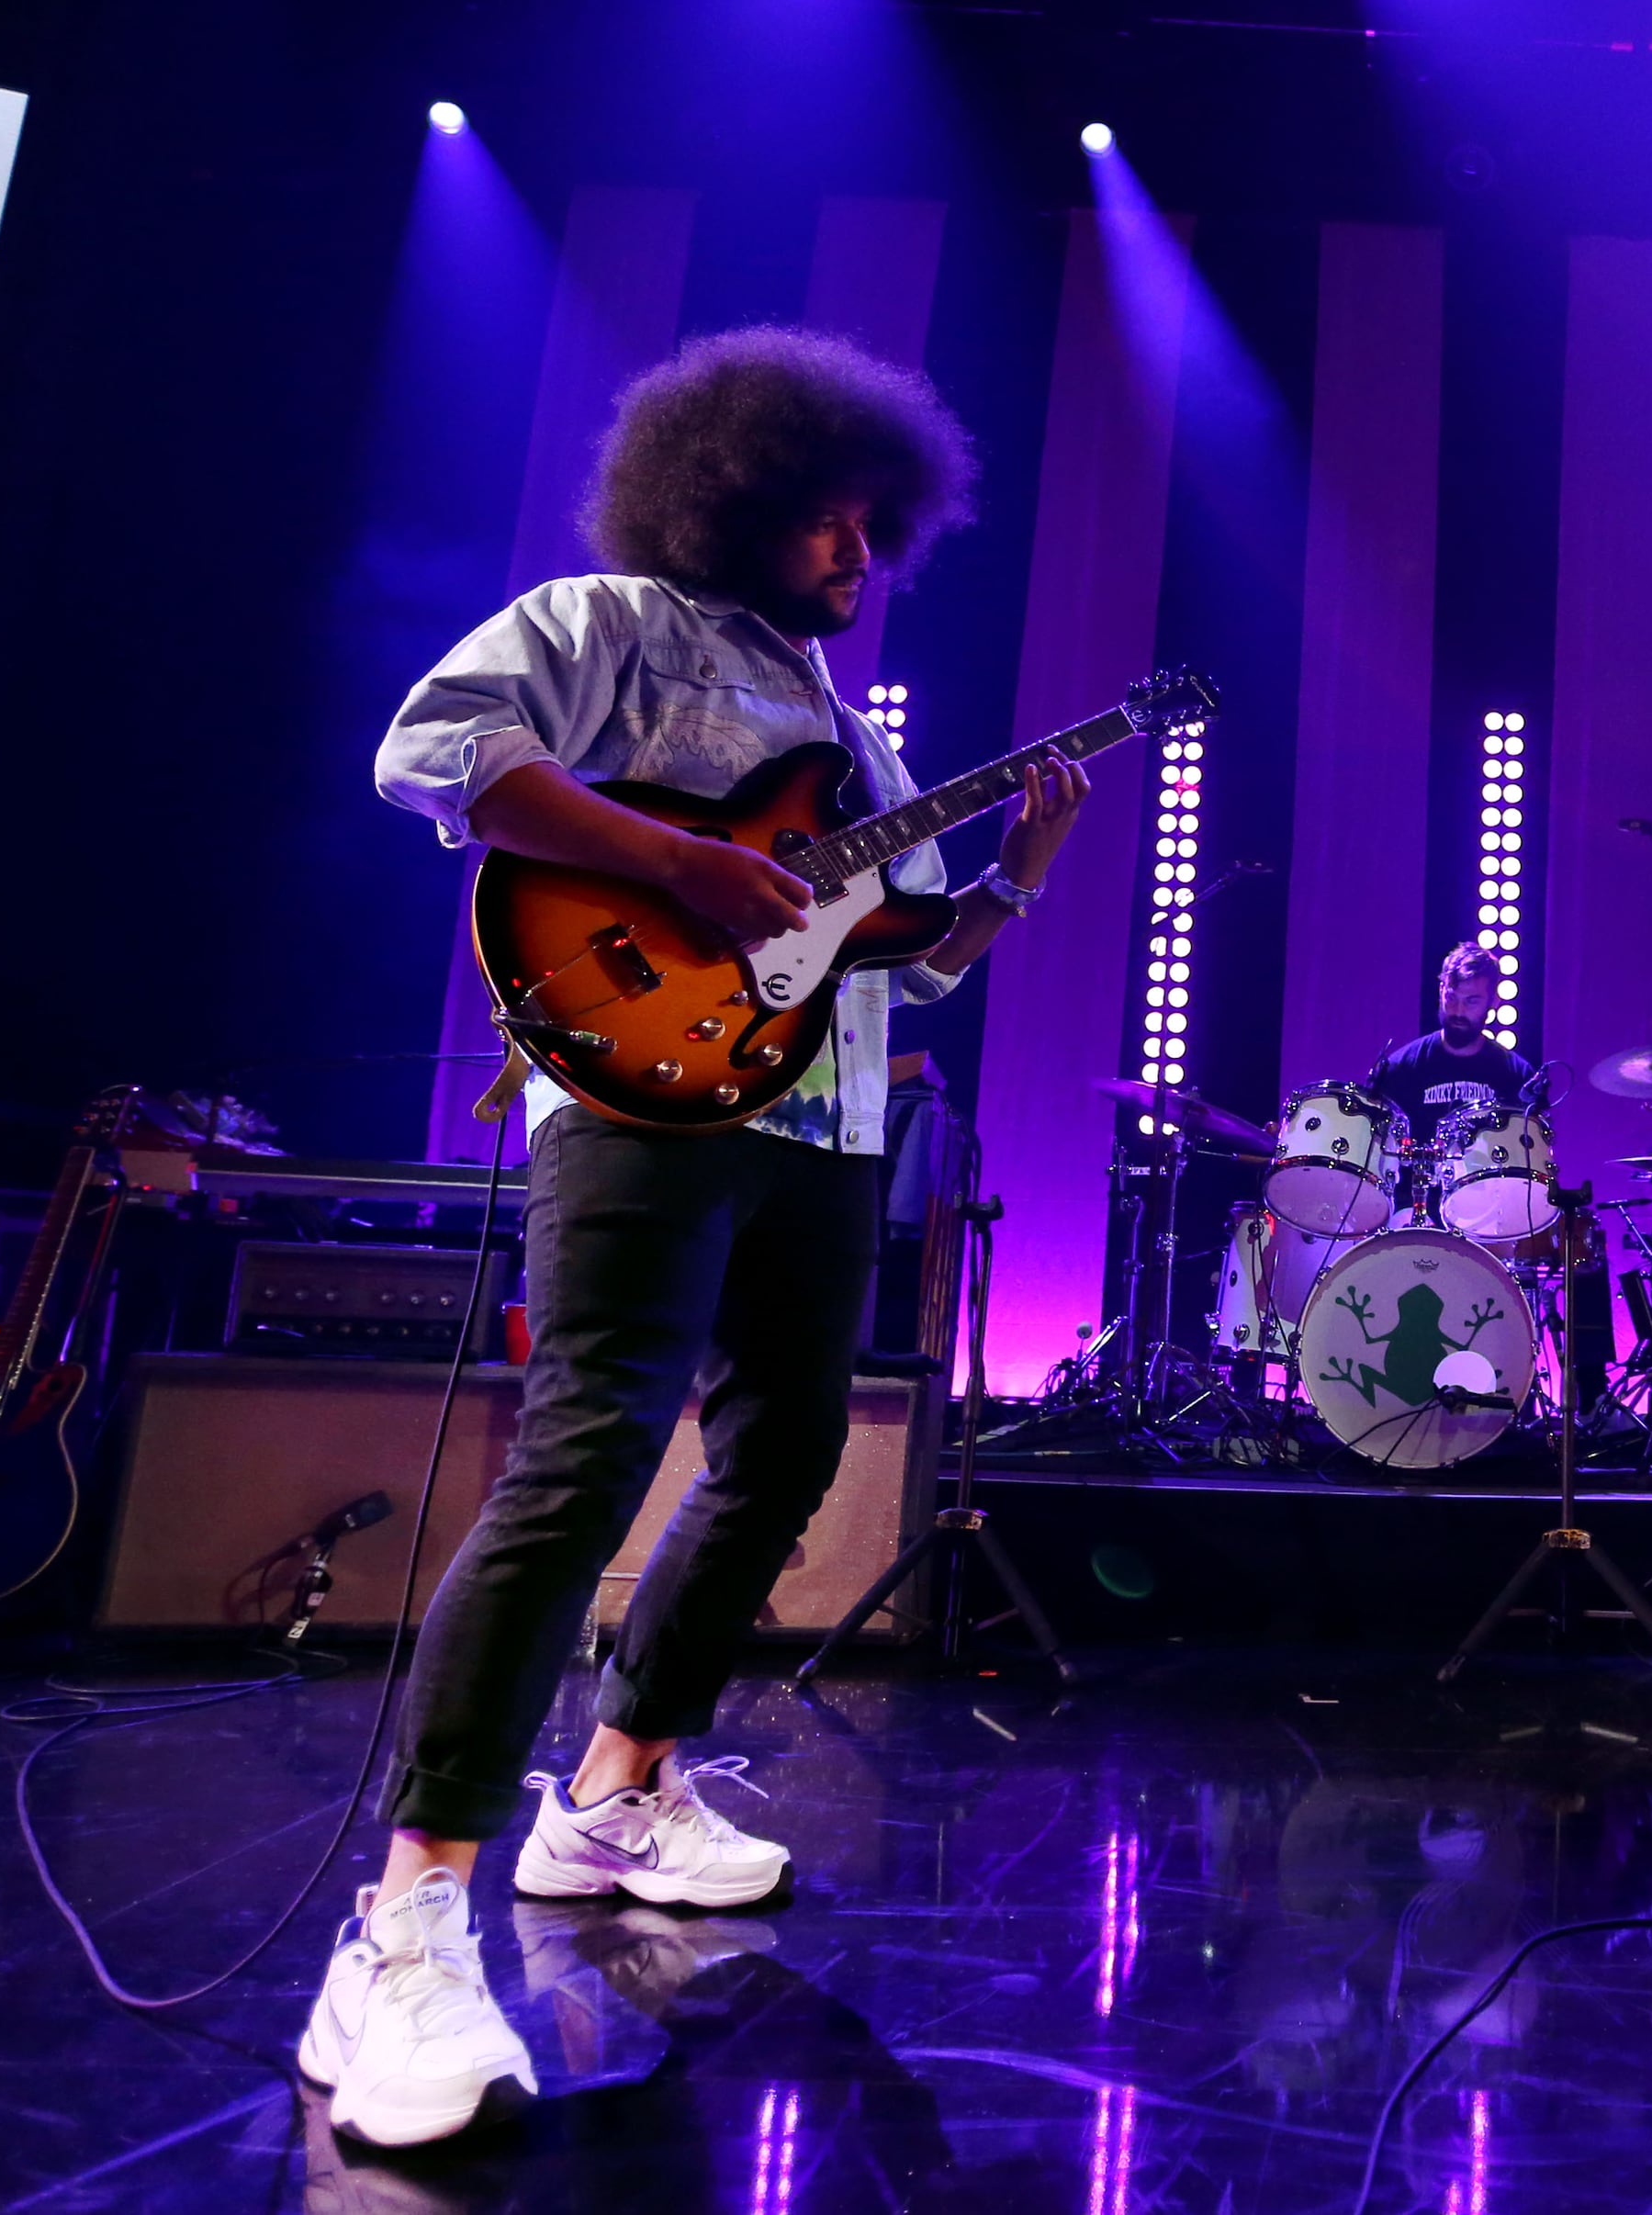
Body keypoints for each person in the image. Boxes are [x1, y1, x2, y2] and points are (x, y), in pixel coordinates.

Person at [314, 327, 1089, 2147]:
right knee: (587, 1455)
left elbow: (908, 956)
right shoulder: (609, 626)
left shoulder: (854, 732)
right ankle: (411, 1910)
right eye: (825, 520)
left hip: (823, 1123)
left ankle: (619, 1788)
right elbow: (432, 753)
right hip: (641, 1098)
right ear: (727, 492)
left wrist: (1024, 877)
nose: (854, 556)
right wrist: (673, 863)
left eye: (870, 530)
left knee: (790, 1453)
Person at [1365, 939, 1533, 1140]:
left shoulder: (1517, 1076)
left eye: (1471, 1001)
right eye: (1451, 998)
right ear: (1441, 991)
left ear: (1493, 1001)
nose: (1458, 1011)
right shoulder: (1399, 1070)